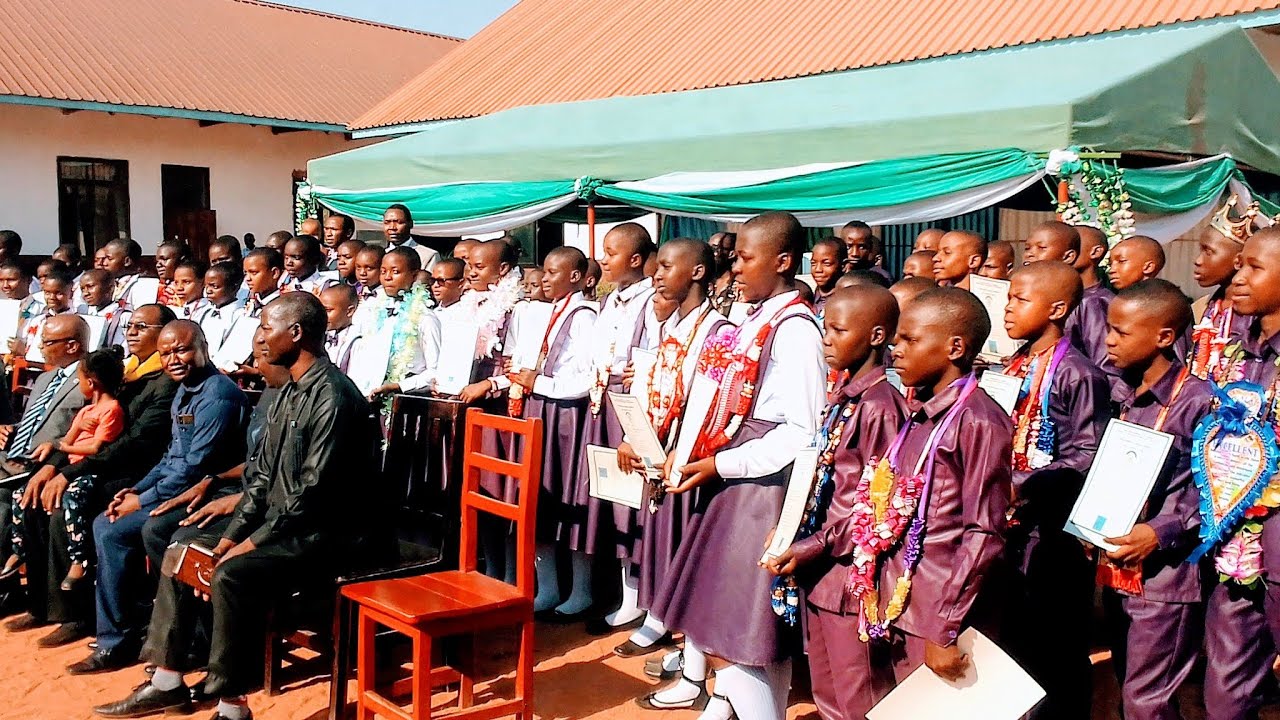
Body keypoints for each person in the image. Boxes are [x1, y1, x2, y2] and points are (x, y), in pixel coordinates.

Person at [95, 293, 381, 720]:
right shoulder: (287, 391)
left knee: (230, 573)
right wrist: (231, 535)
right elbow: (261, 479)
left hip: (327, 533)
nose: (261, 339)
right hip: (286, 525)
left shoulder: (333, 397)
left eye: (267, 327)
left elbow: (312, 492)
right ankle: (167, 681)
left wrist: (248, 545)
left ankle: (232, 707)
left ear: (296, 333)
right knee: (182, 550)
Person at [650, 212, 824, 720]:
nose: (737, 267)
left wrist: (724, 464)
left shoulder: (795, 330)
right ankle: (733, 708)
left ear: (784, 262)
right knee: (736, 626)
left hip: (762, 485)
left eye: (748, 258)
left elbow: (801, 431)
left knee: (741, 626)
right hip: (735, 469)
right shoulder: (755, 319)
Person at [855, 286, 1011, 704]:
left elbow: (984, 532)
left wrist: (944, 627)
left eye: (910, 339)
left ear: (955, 347)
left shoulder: (979, 421)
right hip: (895, 602)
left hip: (938, 607)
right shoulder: (917, 415)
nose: (895, 348)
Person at [759, 285, 908, 720]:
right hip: (823, 570)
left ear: (877, 336)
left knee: (858, 692)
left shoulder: (881, 407)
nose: (826, 340)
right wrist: (791, 531)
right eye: (826, 328)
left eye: (839, 330)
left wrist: (811, 545)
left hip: (850, 577)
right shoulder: (845, 398)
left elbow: (874, 509)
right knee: (827, 687)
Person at [71, 321, 248, 674]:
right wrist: (137, 490)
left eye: (181, 350)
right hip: (177, 487)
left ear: (203, 347)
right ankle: (124, 633)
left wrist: (144, 499)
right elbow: (171, 455)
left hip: (213, 492)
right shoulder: (185, 389)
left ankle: (164, 636)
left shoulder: (218, 395)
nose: (173, 359)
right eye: (166, 353)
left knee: (125, 529)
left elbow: (197, 466)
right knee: (106, 523)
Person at [6, 306, 178, 647]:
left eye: (142, 327)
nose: (131, 331)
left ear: (165, 332)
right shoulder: (126, 372)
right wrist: (52, 467)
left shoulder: (164, 383)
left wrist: (69, 472)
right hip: (99, 462)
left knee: (62, 511)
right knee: (30, 494)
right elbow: (81, 430)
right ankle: (42, 604)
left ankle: (76, 613)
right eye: (130, 325)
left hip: (134, 472)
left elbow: (132, 444)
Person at [615, 239, 731, 680]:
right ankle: (682, 648)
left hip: (688, 459)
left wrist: (672, 448)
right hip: (658, 452)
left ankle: (695, 665)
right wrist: (634, 435)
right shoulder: (672, 326)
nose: (656, 274)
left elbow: (710, 404)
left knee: (689, 558)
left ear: (698, 273)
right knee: (665, 549)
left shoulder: (716, 332)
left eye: (667, 266)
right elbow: (656, 386)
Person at [999, 262, 1109, 720]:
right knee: (1017, 638)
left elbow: (1086, 453)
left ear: (1058, 309)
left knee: (1058, 644)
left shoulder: (1079, 374)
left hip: (1056, 534)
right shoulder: (1013, 364)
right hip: (1014, 529)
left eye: (1020, 300)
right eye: (1008, 298)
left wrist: (1021, 483)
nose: (1007, 308)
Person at [1100, 280, 1210, 720]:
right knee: (1131, 685)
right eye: (1109, 328)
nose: (1108, 339)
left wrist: (1160, 531)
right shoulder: (1124, 393)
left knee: (1148, 700)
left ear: (1164, 337)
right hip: (1119, 565)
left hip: (1166, 578)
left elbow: (1220, 492)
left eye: (1122, 332)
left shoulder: (1198, 401)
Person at [1201, 226, 1280, 719]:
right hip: (1235, 539)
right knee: (1226, 692)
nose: (1238, 277)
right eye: (1240, 264)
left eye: (1255, 267)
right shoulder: (1236, 348)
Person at [567, 223, 658, 622]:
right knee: (609, 497)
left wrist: (632, 425)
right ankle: (617, 591)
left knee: (633, 502)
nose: (602, 259)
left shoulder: (650, 303)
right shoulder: (609, 302)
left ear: (635, 260)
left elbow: (649, 363)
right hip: (600, 399)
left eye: (611, 251)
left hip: (630, 402)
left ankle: (639, 598)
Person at [506, 247, 597, 614]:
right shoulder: (545, 312)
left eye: (553, 272)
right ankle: (548, 586)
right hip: (540, 408)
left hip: (566, 416)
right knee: (539, 500)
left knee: (570, 500)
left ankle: (582, 590)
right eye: (543, 271)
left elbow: (587, 377)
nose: (544, 278)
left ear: (575, 277)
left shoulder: (584, 315)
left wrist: (539, 383)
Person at [5, 349, 124, 591]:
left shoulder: (112, 410)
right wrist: (69, 436)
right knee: (21, 494)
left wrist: (68, 445)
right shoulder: (85, 412)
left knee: (71, 499)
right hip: (71, 462)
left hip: (88, 469)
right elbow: (68, 438)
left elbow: (96, 447)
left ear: (90, 382)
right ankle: (19, 551)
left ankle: (79, 558)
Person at [0, 316, 90, 591]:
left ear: (73, 346)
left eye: (48, 342)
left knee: (4, 503)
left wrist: (54, 459)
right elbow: (34, 422)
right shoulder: (46, 377)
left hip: (44, 463)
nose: (40, 347)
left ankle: (10, 588)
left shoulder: (88, 380)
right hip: (13, 456)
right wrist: (8, 429)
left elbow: (86, 431)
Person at [361, 247, 442, 404]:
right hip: (376, 397)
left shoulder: (425, 317)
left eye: (395, 272)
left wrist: (399, 386)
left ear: (414, 275)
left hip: (410, 401)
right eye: (383, 272)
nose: (388, 278)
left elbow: (436, 371)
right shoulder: (378, 311)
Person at [1188, 197, 1252, 383]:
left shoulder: (1254, 318)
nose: (1198, 260)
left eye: (1208, 252)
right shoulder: (1202, 308)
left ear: (1238, 260)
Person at [1064, 225, 1115, 373]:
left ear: (1095, 252)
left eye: (1074, 245)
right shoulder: (1072, 297)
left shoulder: (1095, 302)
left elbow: (1105, 365)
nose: (1067, 252)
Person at [12, 268, 76, 361]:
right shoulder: (38, 320)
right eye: (47, 292)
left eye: (58, 293)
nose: (52, 297)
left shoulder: (74, 322)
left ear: (70, 293)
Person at [200, 263, 246, 358]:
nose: (208, 290)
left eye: (215, 286)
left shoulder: (241, 315)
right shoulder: (206, 312)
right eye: (206, 286)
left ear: (234, 288)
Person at [382, 204, 440, 271]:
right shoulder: (380, 255)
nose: (392, 227)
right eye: (387, 223)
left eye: (399, 222)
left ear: (410, 224)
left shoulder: (428, 256)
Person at [79, 269, 126, 349]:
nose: (85, 293)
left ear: (110, 288)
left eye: (90, 287)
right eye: (82, 289)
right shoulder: (83, 313)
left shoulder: (122, 316)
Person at [319, 284, 360, 374]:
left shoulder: (358, 341)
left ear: (349, 311)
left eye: (328, 310)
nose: (322, 315)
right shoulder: (323, 336)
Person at [104, 239, 150, 311]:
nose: (104, 263)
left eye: (109, 259)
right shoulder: (111, 282)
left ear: (127, 261)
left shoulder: (144, 284)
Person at [240, 249, 283, 320]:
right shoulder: (253, 303)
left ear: (274, 273)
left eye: (254, 272)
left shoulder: (282, 308)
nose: (247, 278)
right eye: (245, 273)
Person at [809, 237, 846, 318]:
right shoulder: (808, 298)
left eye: (826, 264)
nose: (818, 269)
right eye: (813, 263)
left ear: (843, 265)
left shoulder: (846, 301)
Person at [708, 231, 737, 316]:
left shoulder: (738, 286)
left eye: (714, 249)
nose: (708, 253)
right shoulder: (704, 282)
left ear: (731, 254)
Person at [155, 241, 191, 306]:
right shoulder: (156, 288)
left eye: (164, 259)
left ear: (182, 260)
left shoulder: (192, 290)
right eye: (157, 261)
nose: (158, 265)